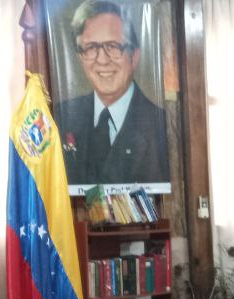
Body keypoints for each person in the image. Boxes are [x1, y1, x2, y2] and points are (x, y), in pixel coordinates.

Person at [58, 0, 169, 186]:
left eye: (112, 46)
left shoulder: (161, 126)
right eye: (91, 48)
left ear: (134, 56)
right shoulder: (61, 118)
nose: (102, 60)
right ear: (80, 58)